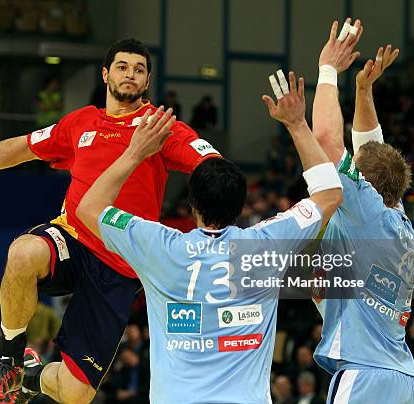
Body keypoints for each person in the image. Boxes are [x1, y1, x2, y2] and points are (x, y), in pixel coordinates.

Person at [0, 38, 221, 403]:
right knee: (22, 253)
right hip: (73, 237)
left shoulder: (159, 128)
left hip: (121, 266)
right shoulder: (81, 122)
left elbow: (211, 164)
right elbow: (24, 146)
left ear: (146, 82)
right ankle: (9, 362)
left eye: (139, 70)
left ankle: (33, 376)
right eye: (123, 67)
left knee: (75, 394)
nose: (130, 75)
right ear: (106, 74)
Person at [68, 70, 343, 402]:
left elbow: (88, 208)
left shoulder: (159, 246)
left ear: (192, 205)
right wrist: (297, 124)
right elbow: (329, 194)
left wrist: (135, 152)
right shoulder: (267, 244)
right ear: (241, 205)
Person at [310, 19, 414, 403]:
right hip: (404, 378)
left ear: (363, 186)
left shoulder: (366, 212)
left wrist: (327, 70)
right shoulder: (397, 217)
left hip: (365, 374)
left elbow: (325, 138)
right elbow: (373, 147)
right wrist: (363, 89)